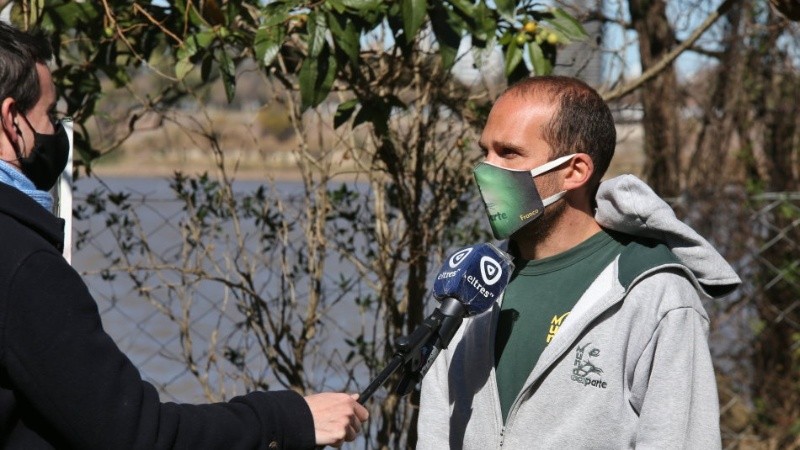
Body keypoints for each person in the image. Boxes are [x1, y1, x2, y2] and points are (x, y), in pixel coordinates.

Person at [0, 22, 368, 449]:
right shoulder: (24, 266)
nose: (57, 131)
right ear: (12, 119)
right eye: (49, 115)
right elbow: (135, 435)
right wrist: (289, 419)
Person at [417, 76, 741, 449]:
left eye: (508, 153)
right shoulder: (470, 280)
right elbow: (437, 428)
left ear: (574, 171)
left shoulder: (653, 292)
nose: (485, 169)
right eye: (484, 151)